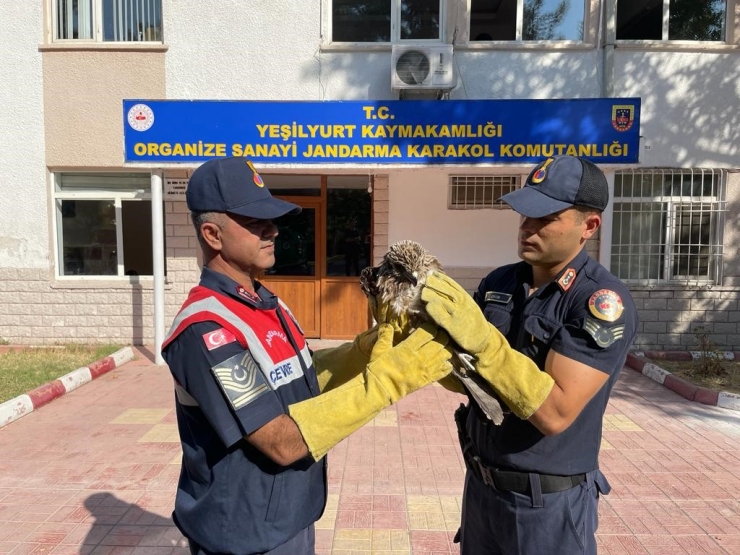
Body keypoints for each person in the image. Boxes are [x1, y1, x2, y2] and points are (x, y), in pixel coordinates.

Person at [160, 156, 453, 555]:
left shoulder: (266, 302)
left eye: (272, 219)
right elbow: (282, 442)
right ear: (212, 233)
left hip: (290, 516)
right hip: (245, 535)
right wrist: (389, 380)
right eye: (255, 222)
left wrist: (364, 350)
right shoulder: (207, 328)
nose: (273, 231)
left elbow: (300, 375)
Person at [420, 155, 638, 555]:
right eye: (524, 214)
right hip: (482, 492)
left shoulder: (597, 301)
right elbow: (465, 373)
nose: (527, 227)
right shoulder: (499, 281)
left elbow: (555, 412)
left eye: (546, 217)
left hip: (546, 507)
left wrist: (484, 346)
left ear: (588, 226)